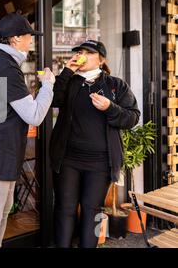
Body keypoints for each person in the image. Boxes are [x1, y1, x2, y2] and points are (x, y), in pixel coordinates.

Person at [0, 13, 55, 248]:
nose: (31, 41)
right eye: (29, 37)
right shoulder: (5, 66)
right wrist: (48, 85)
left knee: (0, 216)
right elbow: (34, 116)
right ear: (16, 39)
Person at [50, 40, 140, 248]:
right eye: (79, 52)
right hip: (68, 159)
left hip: (100, 162)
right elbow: (53, 100)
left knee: (93, 210)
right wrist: (66, 72)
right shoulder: (70, 82)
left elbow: (132, 118)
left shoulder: (115, 86)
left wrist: (111, 108)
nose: (81, 55)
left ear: (101, 59)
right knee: (65, 208)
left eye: (88, 53)